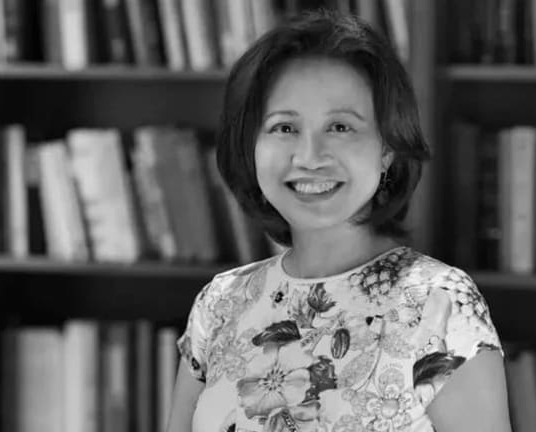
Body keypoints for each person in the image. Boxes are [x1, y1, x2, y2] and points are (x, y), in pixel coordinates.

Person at [167, 9, 510, 432]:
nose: (309, 157)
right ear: (250, 147)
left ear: (388, 148)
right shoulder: (219, 303)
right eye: (284, 128)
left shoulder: (438, 305)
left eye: (341, 127)